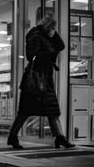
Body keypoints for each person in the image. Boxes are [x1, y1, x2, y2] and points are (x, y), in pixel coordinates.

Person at [7, 17, 75, 149]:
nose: (53, 31)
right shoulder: (35, 36)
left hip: (45, 78)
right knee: (25, 111)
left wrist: (54, 35)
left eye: (54, 29)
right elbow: (31, 56)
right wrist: (49, 55)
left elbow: (61, 46)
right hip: (35, 79)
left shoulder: (47, 37)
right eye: (52, 28)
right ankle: (12, 136)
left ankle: (60, 138)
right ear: (46, 27)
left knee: (53, 111)